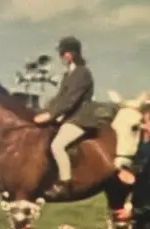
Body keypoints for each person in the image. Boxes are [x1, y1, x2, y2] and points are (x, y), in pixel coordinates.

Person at [33, 36, 97, 199]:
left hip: (81, 118)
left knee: (57, 146)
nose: (62, 57)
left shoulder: (82, 73)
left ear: (73, 54)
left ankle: (65, 183)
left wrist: (51, 115)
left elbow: (71, 99)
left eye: (65, 53)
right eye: (62, 53)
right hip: (69, 117)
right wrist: (42, 112)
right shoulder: (69, 74)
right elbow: (59, 97)